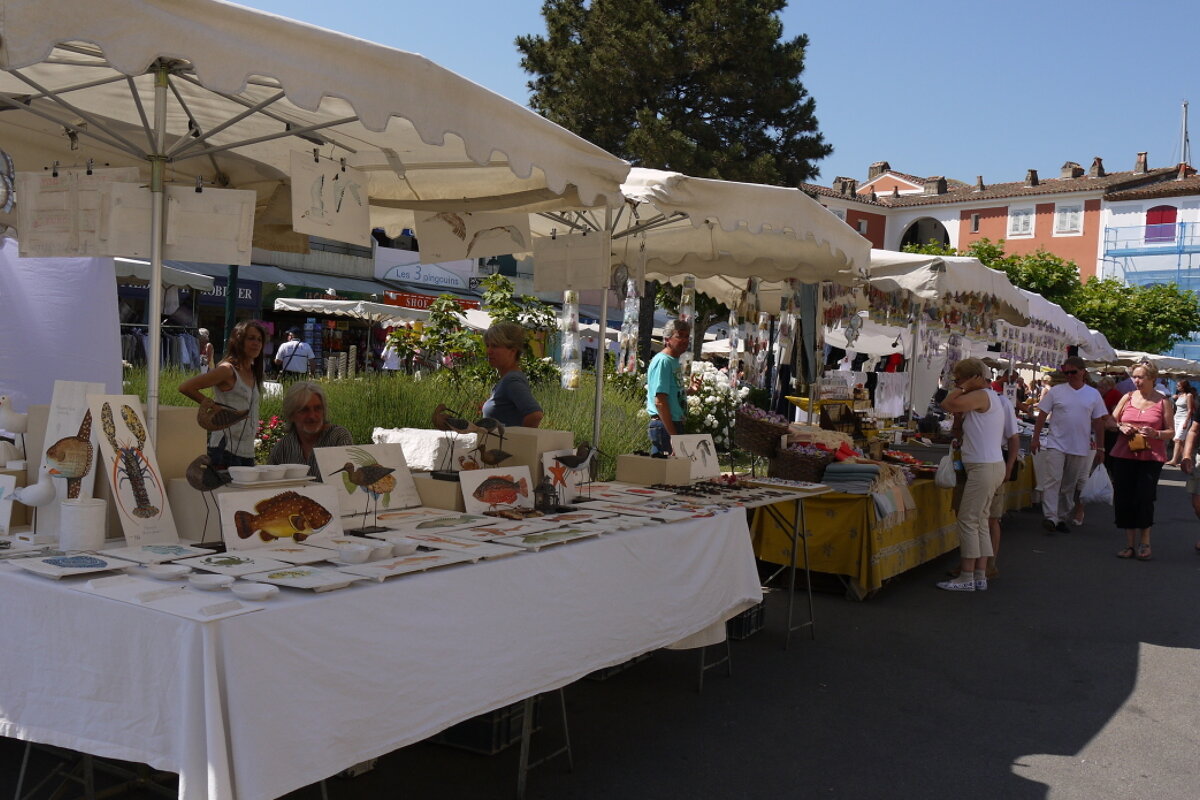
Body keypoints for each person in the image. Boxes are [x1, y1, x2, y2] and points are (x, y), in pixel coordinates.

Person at [937, 358, 1008, 592]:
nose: (955, 383)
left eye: (957, 379)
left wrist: (962, 387)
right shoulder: (991, 396)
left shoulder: (981, 395)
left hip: (983, 467)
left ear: (969, 378)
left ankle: (967, 575)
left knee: (968, 519)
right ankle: (979, 573)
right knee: (979, 521)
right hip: (989, 465)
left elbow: (947, 403)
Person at [1031, 356, 1108, 533]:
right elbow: (1042, 415)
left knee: (1069, 484)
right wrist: (1036, 438)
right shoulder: (1056, 391)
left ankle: (1062, 515)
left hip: (1080, 445)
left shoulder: (1093, 394)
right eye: (1066, 373)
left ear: (1083, 372)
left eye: (1073, 372)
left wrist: (1101, 447)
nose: (1070, 376)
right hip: (1056, 443)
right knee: (1053, 480)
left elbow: (1098, 422)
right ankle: (1050, 516)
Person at [1106, 361, 1171, 560]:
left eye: (1141, 377)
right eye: (1135, 376)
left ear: (1152, 379)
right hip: (1125, 454)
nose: (1136, 380)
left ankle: (1145, 541)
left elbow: (1171, 432)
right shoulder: (1127, 397)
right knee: (1124, 497)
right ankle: (1129, 544)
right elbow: (1110, 420)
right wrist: (1120, 427)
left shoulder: (1163, 401)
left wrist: (1155, 433)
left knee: (1144, 497)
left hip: (1151, 456)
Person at [179, 320, 266, 468]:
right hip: (225, 447)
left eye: (259, 339)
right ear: (239, 340)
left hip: (246, 449)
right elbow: (186, 387)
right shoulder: (227, 369)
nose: (256, 343)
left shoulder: (253, 372)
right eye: (251, 338)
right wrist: (213, 406)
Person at [267, 381, 352, 479]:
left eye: (317, 408)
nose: (312, 416)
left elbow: (346, 484)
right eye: (304, 410)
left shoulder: (338, 437)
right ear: (291, 415)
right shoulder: (282, 448)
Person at [480, 322, 543, 428]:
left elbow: (535, 415)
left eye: (495, 346)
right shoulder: (508, 379)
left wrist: (518, 441)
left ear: (513, 350)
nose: (489, 351)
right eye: (488, 345)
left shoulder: (512, 380)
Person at [644, 320, 691, 457]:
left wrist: (690, 390)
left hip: (672, 423)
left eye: (687, 336)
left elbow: (670, 394)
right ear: (667, 339)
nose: (684, 340)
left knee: (672, 475)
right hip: (665, 425)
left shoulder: (673, 361)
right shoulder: (663, 361)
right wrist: (673, 436)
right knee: (665, 475)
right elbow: (660, 401)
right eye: (680, 335)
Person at [1165, 379, 1195, 466]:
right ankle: (1184, 459)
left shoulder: (1189, 395)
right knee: (1180, 440)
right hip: (1176, 418)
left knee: (1177, 439)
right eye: (1177, 385)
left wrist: (1186, 421)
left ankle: (1174, 460)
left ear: (1184, 386)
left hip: (1184, 419)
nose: (1177, 387)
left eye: (1179, 386)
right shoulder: (1179, 395)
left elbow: (1190, 410)